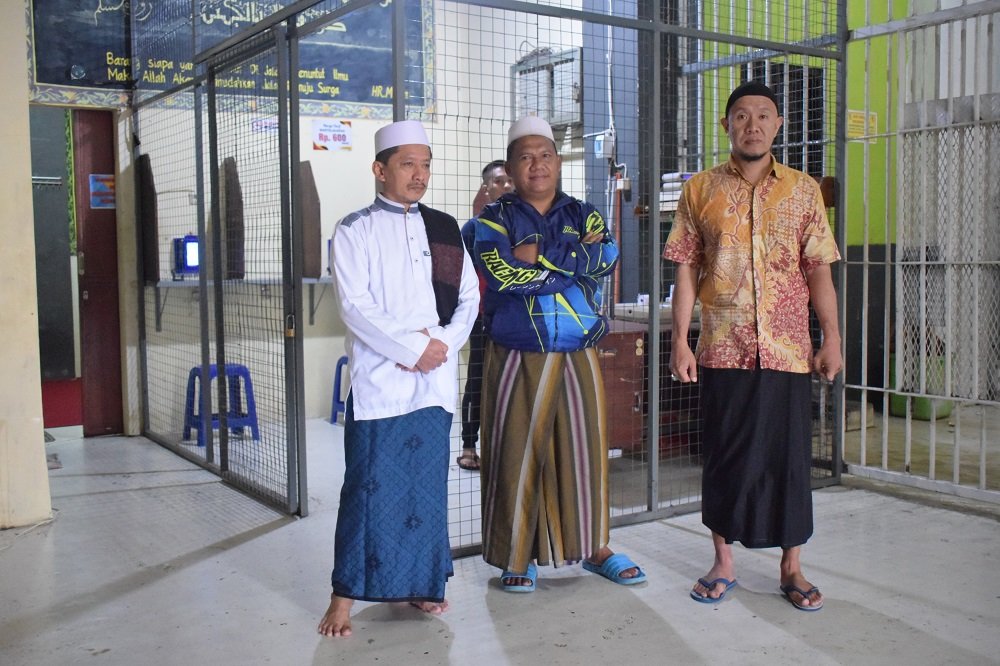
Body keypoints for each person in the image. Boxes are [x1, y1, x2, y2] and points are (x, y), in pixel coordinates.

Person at [663, 81, 842, 612]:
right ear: (726, 126)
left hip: (788, 348)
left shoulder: (805, 191)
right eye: (741, 116)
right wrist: (680, 340)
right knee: (725, 453)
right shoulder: (700, 190)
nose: (753, 125)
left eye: (764, 115)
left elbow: (820, 272)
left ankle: (792, 566)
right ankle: (723, 561)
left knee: (788, 459)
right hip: (723, 347)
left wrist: (831, 337)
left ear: (779, 124)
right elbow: (685, 270)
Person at [318, 120, 480, 637]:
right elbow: (356, 308)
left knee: (425, 489)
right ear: (379, 169)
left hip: (433, 383)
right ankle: (343, 598)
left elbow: (470, 298)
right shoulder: (354, 228)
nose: (419, 174)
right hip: (380, 384)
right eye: (408, 164)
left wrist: (442, 346)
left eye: (426, 164)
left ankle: (421, 584)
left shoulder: (445, 227)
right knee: (367, 489)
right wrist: (414, 348)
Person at [472, 116, 646, 592]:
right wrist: (572, 260)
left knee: (584, 450)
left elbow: (607, 258)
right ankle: (517, 555)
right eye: (525, 157)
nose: (537, 165)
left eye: (545, 155)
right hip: (516, 351)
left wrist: (541, 257)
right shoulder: (490, 221)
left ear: (557, 161)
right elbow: (506, 276)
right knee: (515, 452)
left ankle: (594, 547)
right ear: (510, 166)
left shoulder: (585, 212)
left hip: (578, 349)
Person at [457, 160, 514, 472]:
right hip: (482, 317)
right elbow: (459, 277)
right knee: (478, 379)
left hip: (517, 317)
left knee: (512, 381)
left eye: (510, 180)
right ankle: (468, 444)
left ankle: (507, 445)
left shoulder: (525, 224)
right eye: (498, 181)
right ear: (487, 188)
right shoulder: (473, 229)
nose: (505, 186)